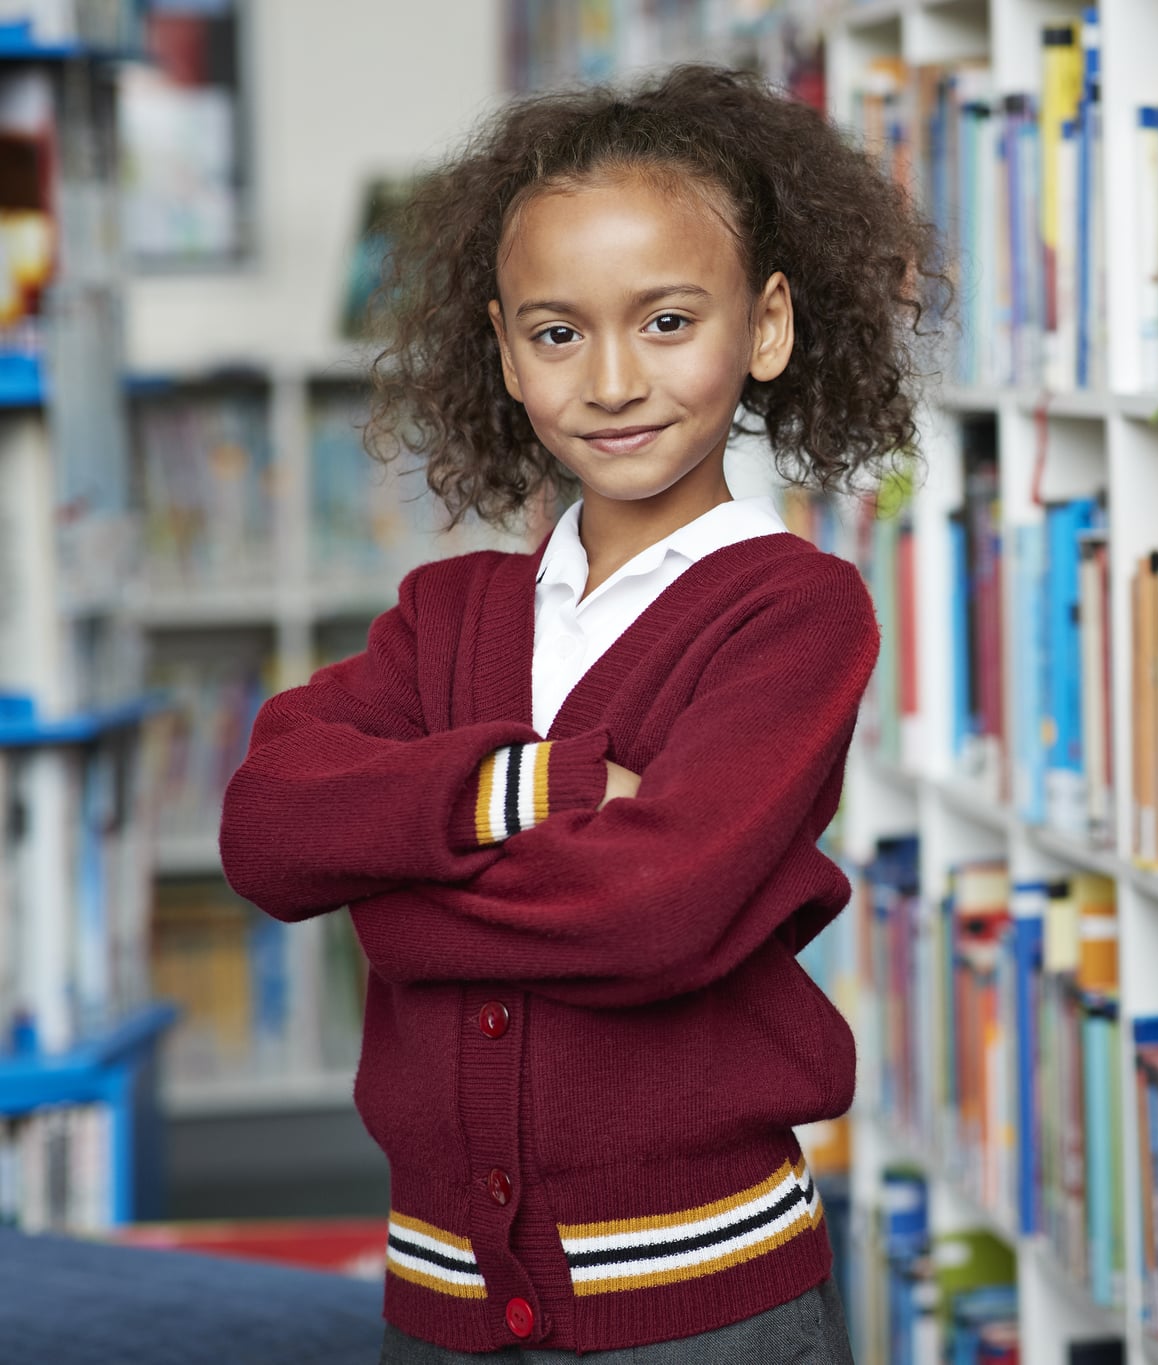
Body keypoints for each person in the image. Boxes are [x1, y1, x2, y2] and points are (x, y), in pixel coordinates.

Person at [219, 64, 940, 1362]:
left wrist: (389, 881)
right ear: (502, 346)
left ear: (765, 326)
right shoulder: (447, 615)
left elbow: (650, 912)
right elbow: (268, 830)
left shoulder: (795, 612)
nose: (612, 379)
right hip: (439, 1293)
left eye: (667, 321)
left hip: (708, 1301)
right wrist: (537, 790)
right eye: (558, 333)